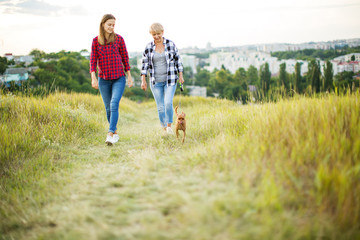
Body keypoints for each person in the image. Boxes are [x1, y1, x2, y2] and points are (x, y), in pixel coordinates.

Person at [90, 14, 133, 145]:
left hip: (119, 78)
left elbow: (125, 59)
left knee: (114, 104)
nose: (111, 27)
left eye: (113, 25)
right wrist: (94, 78)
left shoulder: (119, 39)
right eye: (109, 24)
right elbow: (93, 61)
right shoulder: (96, 41)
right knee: (108, 108)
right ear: (103, 24)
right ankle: (115, 133)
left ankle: (110, 133)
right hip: (103, 79)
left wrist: (129, 76)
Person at [140, 23, 184, 134]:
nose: (156, 36)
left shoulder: (170, 44)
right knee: (160, 107)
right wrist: (143, 80)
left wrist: (181, 75)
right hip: (155, 82)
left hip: (170, 79)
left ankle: (169, 126)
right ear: (151, 34)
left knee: (168, 103)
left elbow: (178, 60)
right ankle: (164, 129)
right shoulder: (149, 47)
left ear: (162, 32)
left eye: (158, 34)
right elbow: (144, 65)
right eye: (154, 34)